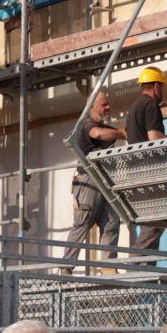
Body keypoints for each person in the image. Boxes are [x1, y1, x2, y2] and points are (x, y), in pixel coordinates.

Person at [66, 90, 125, 263]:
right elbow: (97, 134)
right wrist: (122, 133)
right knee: (82, 225)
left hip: (105, 180)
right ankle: (66, 268)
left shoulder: (105, 127)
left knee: (111, 224)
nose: (108, 107)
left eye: (108, 103)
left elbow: (107, 132)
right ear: (92, 108)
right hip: (88, 181)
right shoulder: (86, 124)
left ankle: (108, 267)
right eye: (104, 104)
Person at [123, 66, 167, 253]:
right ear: (156, 86)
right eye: (162, 88)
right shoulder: (151, 105)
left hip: (136, 172)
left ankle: (146, 267)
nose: (162, 91)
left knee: (150, 224)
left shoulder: (133, 108)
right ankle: (136, 262)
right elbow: (154, 138)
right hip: (150, 171)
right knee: (156, 222)